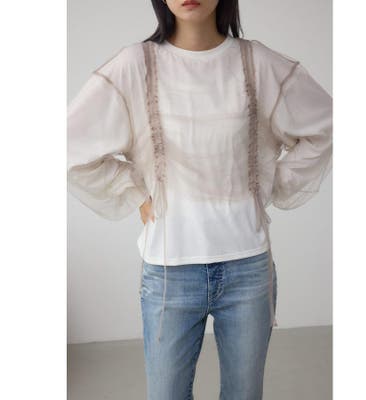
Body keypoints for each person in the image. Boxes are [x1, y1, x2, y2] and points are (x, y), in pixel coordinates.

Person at [67, 1, 332, 399]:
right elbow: (70, 144)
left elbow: (325, 125)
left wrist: (267, 183)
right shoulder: (136, 65)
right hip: (170, 273)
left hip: (248, 269)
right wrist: (133, 192)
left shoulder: (257, 63)